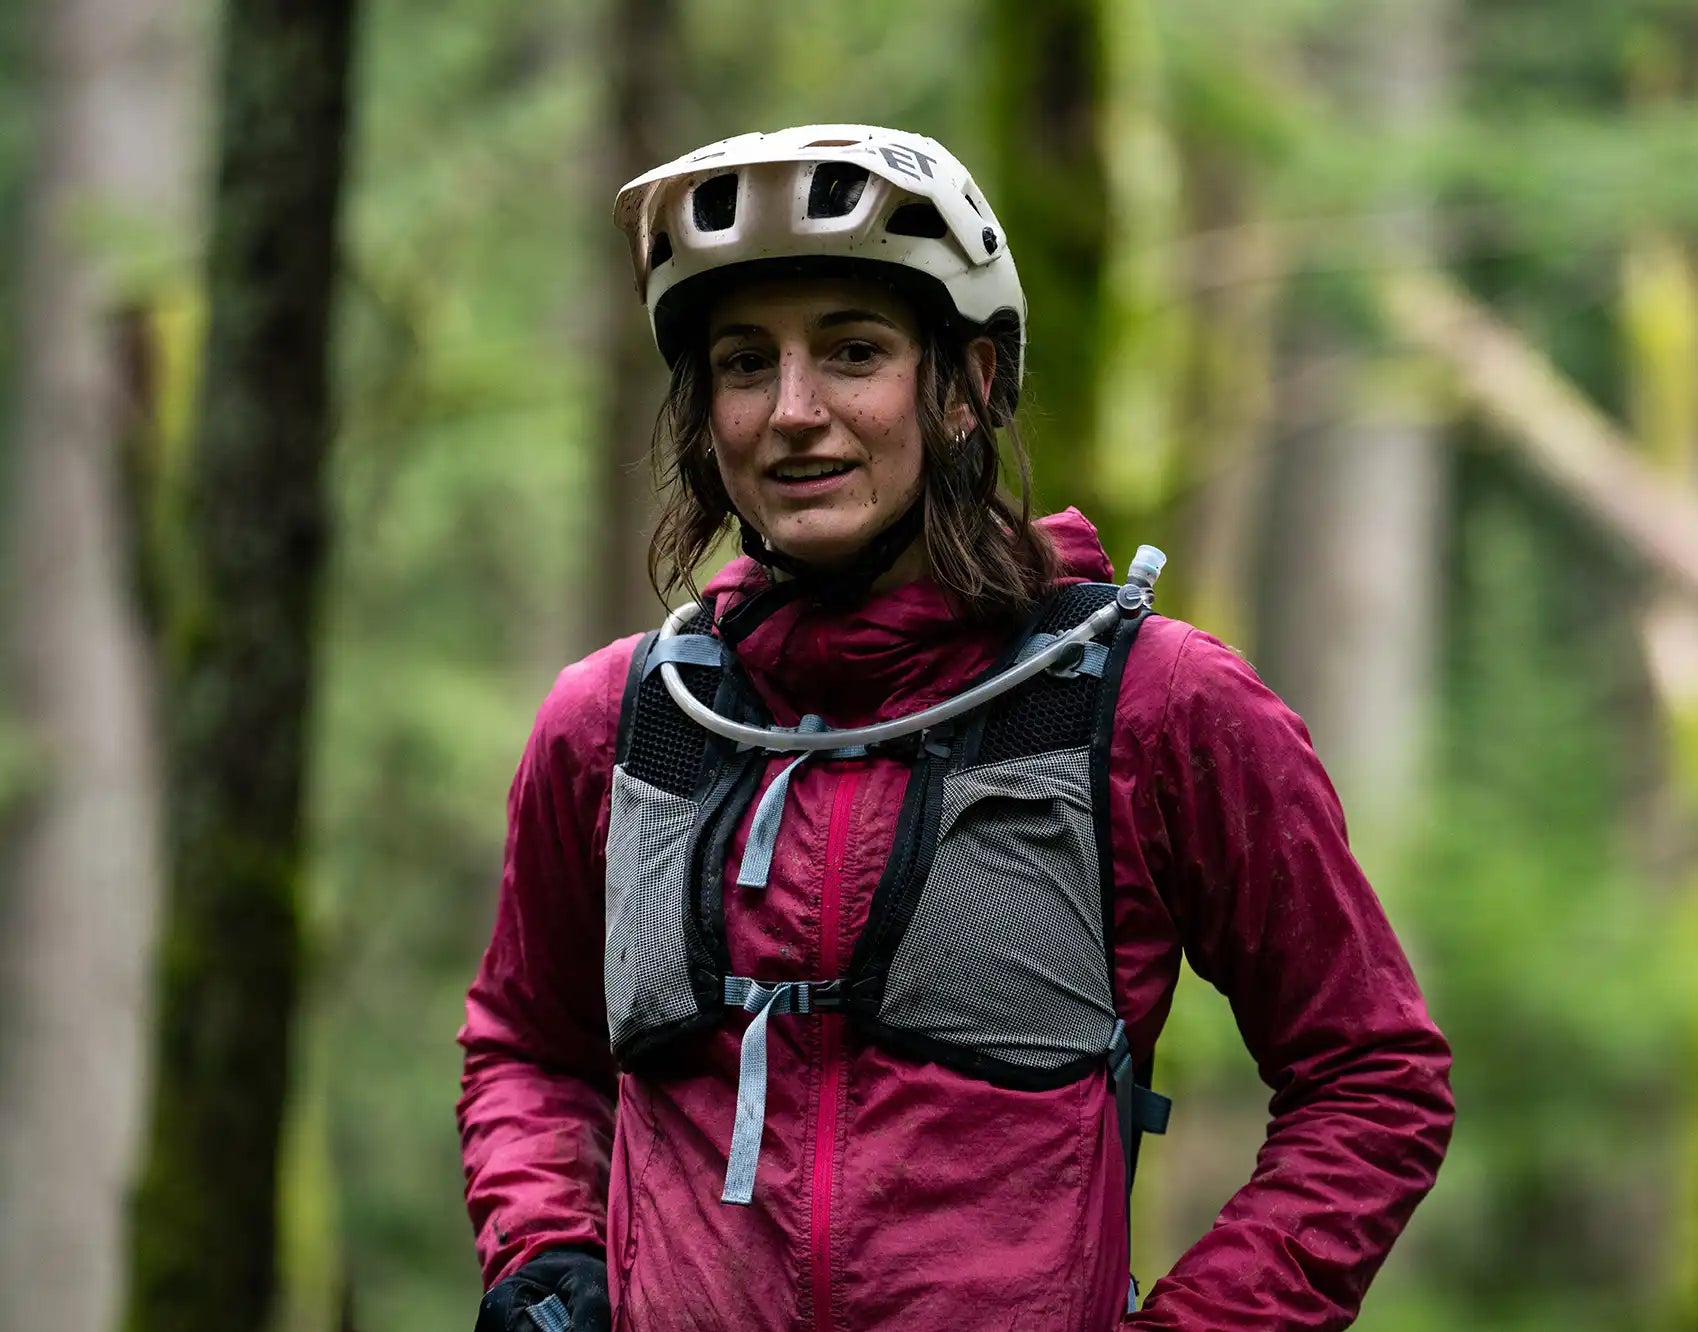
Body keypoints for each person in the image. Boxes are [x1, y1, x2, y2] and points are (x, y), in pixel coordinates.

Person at [458, 124, 1453, 1332]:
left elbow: (1371, 1078)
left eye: (853, 351)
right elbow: (524, 1046)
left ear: (968, 382)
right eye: (741, 362)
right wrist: (545, 1247)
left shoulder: (1151, 703)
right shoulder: (619, 725)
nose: (793, 411)